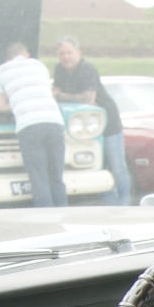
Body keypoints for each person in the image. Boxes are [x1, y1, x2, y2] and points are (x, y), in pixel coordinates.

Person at [53, 36, 132, 205]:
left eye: (69, 52)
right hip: (85, 128)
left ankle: (125, 204)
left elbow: (89, 98)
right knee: (98, 167)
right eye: (62, 53)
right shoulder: (59, 70)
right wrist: (65, 96)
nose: (66, 57)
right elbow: (55, 92)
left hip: (108, 122)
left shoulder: (87, 68)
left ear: (78, 53)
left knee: (117, 167)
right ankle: (109, 205)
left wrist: (62, 95)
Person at [0, 41, 67, 207]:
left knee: (39, 178)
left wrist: (17, 103)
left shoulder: (2, 70)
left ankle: (46, 221)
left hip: (29, 125)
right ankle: (64, 216)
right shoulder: (39, 66)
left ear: (8, 58)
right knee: (56, 177)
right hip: (54, 122)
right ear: (26, 54)